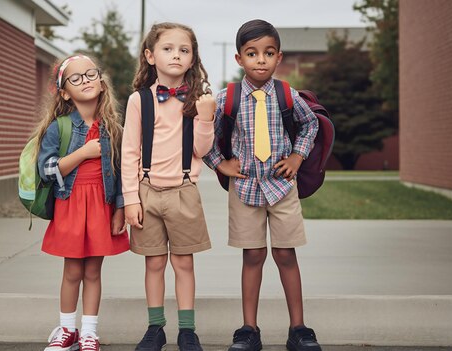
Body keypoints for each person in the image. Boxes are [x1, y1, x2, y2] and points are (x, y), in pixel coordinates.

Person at [203, 19, 322, 351]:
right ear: (240, 58)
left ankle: (298, 328)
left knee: (285, 254)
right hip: (245, 190)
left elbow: (310, 124)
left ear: (278, 57)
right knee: (253, 255)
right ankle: (248, 330)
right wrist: (220, 163)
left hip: (283, 187)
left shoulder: (287, 94)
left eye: (268, 53)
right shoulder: (228, 98)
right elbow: (205, 139)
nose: (261, 60)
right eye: (252, 53)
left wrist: (298, 157)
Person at [122, 22, 216, 351]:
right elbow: (129, 152)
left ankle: (187, 330)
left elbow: (202, 150)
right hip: (147, 192)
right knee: (154, 263)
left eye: (184, 50)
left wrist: (205, 118)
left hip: (184, 191)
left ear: (192, 59)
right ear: (150, 55)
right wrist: (130, 199)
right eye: (167, 48)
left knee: (184, 262)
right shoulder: (139, 101)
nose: (176, 55)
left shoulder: (198, 100)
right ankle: (155, 327)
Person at [35, 54, 129, 351]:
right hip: (71, 206)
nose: (85, 81)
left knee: (93, 272)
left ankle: (89, 333)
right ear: (64, 92)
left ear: (101, 83)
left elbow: (123, 173)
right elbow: (46, 171)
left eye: (90, 75)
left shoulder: (113, 129)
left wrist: (120, 209)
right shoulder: (58, 127)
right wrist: (83, 153)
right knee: (72, 271)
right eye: (75, 79)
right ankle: (67, 330)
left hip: (101, 207)